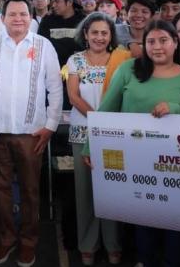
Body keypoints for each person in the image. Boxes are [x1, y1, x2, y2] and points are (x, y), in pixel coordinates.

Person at [84, 20, 180, 267]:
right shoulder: (129, 69)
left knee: (176, 218)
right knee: (141, 213)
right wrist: (90, 145)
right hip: (135, 157)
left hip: (176, 161)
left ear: (175, 43)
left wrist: (174, 109)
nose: (157, 47)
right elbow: (107, 108)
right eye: (151, 41)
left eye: (163, 40)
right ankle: (144, 260)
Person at [0, 0, 63, 267]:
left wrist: (50, 126)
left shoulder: (43, 45)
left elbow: (55, 88)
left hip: (31, 132)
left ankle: (28, 242)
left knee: (29, 190)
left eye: (23, 14)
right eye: (12, 14)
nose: (18, 19)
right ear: (2, 18)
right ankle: (6, 237)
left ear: (31, 17)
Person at [66, 14, 127, 266]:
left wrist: (107, 125)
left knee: (112, 190)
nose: (99, 37)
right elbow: (73, 97)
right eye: (95, 33)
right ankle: (87, 244)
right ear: (86, 34)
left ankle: (113, 244)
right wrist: (97, 120)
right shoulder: (75, 60)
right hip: (83, 133)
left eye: (104, 33)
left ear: (111, 35)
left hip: (114, 134)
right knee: (85, 192)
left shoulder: (122, 61)